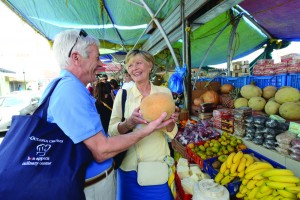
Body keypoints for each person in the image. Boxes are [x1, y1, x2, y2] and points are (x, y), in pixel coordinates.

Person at [38, 30, 174, 200]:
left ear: (149, 66)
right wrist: (141, 128)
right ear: (76, 58)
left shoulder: (72, 88)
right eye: (96, 58)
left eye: (139, 63)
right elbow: (101, 149)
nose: (101, 64)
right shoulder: (69, 91)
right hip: (91, 185)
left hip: (154, 170)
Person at [108, 49, 179, 200]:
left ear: (150, 66)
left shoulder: (164, 92)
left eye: (139, 63)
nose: (134, 68)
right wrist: (129, 123)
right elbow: (112, 130)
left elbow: (172, 132)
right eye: (130, 65)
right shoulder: (123, 95)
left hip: (157, 166)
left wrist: (172, 121)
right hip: (129, 168)